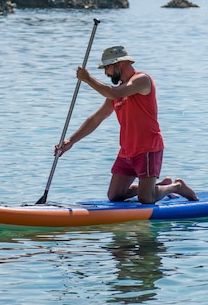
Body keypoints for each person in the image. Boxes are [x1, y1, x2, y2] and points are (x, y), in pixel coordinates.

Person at [55, 45, 198, 204]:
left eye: (107, 68)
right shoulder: (116, 91)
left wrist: (88, 79)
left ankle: (175, 187)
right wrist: (70, 141)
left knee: (146, 198)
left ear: (118, 64)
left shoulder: (142, 80)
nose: (105, 73)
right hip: (127, 150)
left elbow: (115, 93)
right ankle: (158, 186)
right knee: (115, 196)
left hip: (148, 149)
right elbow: (96, 118)